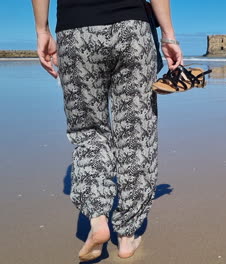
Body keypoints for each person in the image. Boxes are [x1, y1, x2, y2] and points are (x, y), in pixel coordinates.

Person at [31, 0, 183, 261]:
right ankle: (126, 237)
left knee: (89, 132)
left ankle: (98, 221)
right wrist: (168, 36)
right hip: (133, 29)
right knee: (137, 134)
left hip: (77, 31)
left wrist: (42, 30)